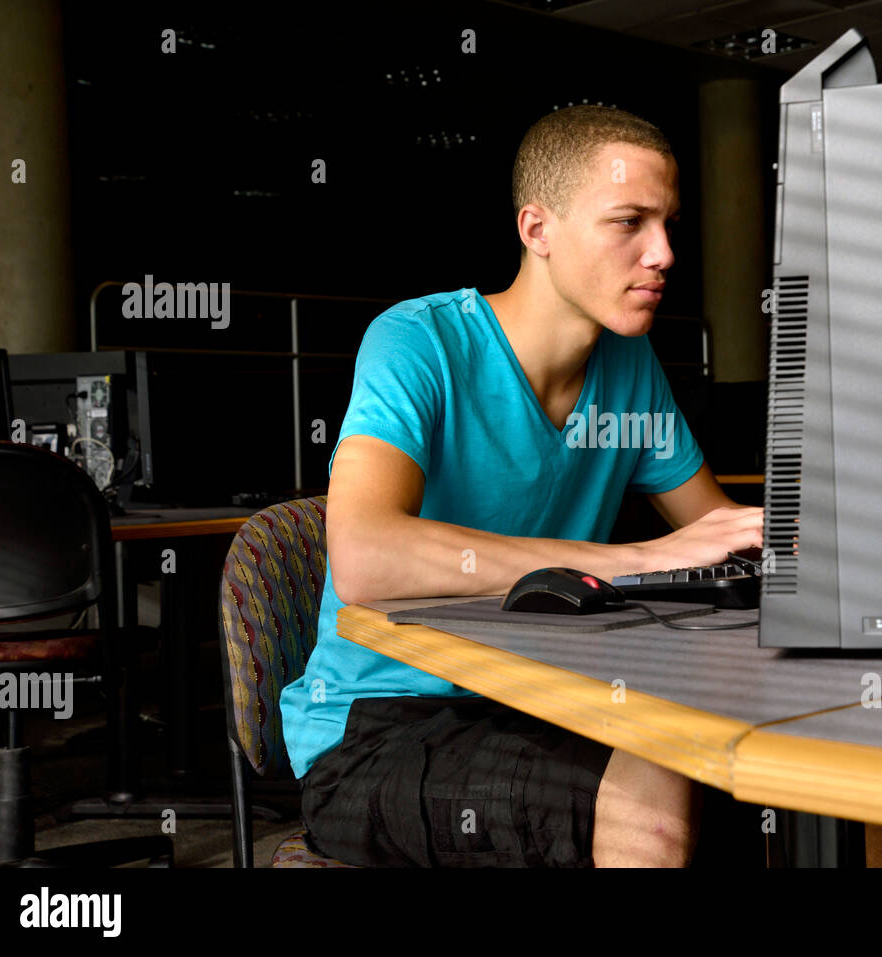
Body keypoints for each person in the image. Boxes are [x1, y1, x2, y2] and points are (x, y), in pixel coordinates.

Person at [279, 104, 764, 867]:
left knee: (747, 770)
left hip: (542, 697)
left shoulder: (628, 366)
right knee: (655, 816)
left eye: (668, 222)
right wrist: (635, 559)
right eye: (629, 222)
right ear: (537, 231)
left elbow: (721, 539)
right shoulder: (419, 341)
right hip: (378, 727)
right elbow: (367, 556)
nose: (665, 252)